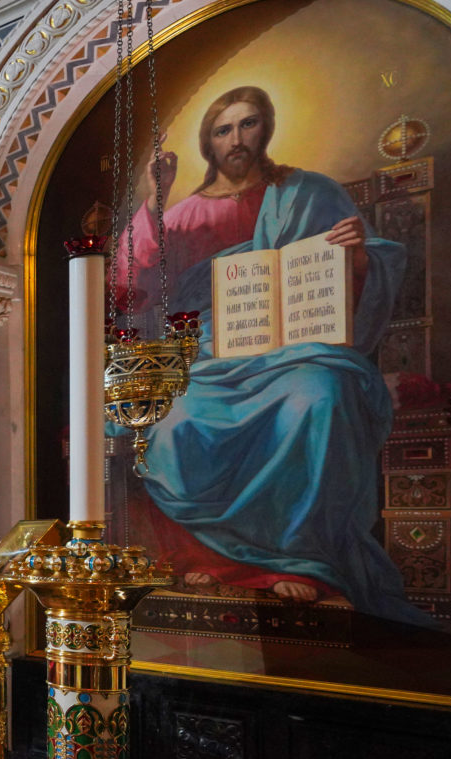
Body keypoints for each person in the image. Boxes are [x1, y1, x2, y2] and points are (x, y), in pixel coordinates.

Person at [113, 83, 420, 619]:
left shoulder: (310, 193)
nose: (236, 138)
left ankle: (299, 560)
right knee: (175, 417)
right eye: (222, 129)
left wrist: (359, 257)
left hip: (298, 343)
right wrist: (157, 199)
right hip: (207, 351)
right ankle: (207, 558)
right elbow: (132, 287)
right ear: (209, 143)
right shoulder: (181, 215)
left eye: (248, 124)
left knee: (322, 395)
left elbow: (367, 274)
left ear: (266, 128)